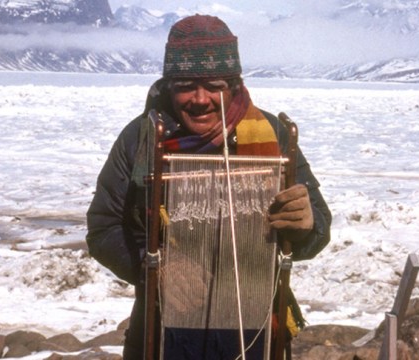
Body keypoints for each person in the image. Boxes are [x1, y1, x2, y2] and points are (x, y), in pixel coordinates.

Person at [86, 14, 331, 359]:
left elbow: (317, 230)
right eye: (186, 85)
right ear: (169, 85)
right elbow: (102, 230)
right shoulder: (141, 140)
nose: (200, 99)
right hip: (161, 332)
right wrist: (155, 267)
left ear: (232, 84)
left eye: (213, 85)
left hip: (256, 331)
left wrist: (308, 224)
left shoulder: (273, 136)